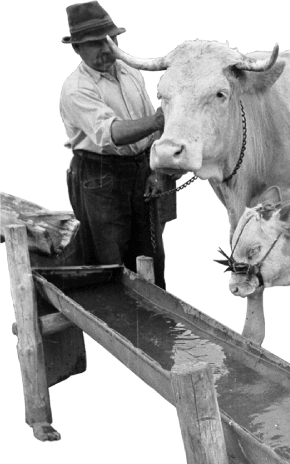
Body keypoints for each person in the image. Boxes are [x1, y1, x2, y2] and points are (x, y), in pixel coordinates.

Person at [60, 1, 171, 287]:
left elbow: (151, 128)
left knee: (151, 253)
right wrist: (158, 122)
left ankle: (154, 325)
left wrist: (156, 169)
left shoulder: (130, 71)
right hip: (100, 176)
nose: (105, 49)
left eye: (109, 40)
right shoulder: (75, 89)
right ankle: (111, 328)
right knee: (110, 260)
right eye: (94, 44)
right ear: (76, 49)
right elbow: (112, 133)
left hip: (141, 167)